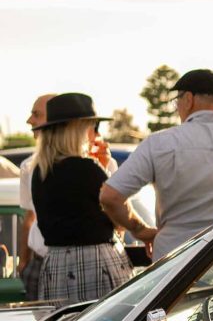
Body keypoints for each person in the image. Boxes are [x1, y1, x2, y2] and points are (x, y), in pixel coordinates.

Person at [100, 69, 213, 262]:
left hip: (176, 265)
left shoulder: (159, 144)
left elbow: (110, 196)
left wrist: (140, 230)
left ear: (188, 99)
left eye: (176, 101)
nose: (177, 108)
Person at [29, 93, 148, 306]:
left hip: (56, 265)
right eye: (91, 126)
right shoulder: (87, 169)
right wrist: (143, 231)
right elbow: (119, 218)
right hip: (94, 263)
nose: (94, 133)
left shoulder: (40, 172)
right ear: (77, 129)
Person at [16, 93, 56, 300]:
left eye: (36, 114)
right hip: (38, 263)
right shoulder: (28, 166)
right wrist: (24, 262)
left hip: (74, 264)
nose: (29, 120)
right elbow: (29, 217)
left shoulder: (97, 163)